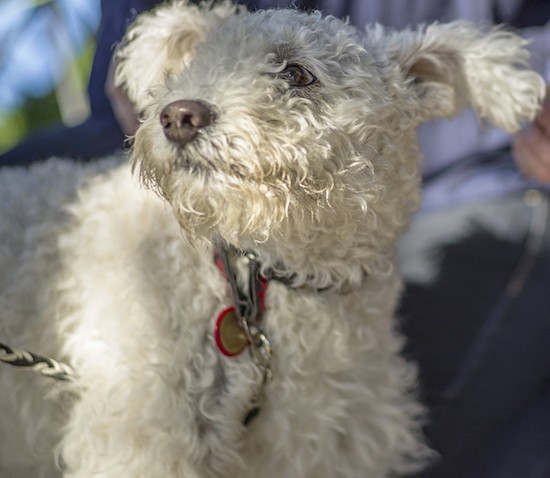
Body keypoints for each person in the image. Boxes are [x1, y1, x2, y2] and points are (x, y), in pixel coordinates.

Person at [3, 0, 550, 476]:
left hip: (471, 194)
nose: (182, 113)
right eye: (199, 72)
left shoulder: (408, 73)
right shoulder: (139, 260)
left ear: (420, 81)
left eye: (296, 77)